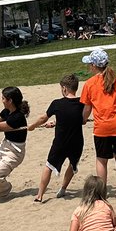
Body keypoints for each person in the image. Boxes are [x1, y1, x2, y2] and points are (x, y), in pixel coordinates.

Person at [79, 48, 116, 197]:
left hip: (102, 127)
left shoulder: (89, 84)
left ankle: (102, 192)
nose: (89, 66)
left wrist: (83, 119)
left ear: (94, 65)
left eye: (90, 64)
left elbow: (87, 109)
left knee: (102, 160)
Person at [28, 74, 86, 203]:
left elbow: (43, 118)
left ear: (64, 88)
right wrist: (57, 122)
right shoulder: (82, 103)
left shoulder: (57, 103)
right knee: (72, 164)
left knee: (49, 165)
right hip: (76, 142)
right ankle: (63, 188)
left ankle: (39, 195)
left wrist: (32, 126)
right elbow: (81, 120)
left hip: (60, 143)